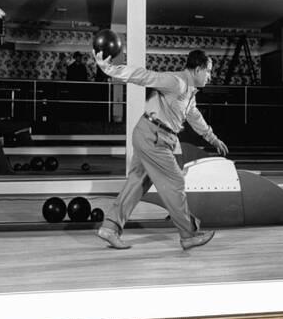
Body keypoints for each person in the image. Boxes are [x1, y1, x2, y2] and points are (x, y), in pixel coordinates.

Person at [93, 49, 229, 250]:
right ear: (198, 69)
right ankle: (188, 235)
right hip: (153, 136)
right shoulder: (176, 82)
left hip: (150, 135)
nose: (210, 76)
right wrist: (110, 69)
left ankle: (110, 228)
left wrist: (213, 139)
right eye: (208, 71)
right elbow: (144, 76)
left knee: (137, 182)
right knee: (175, 181)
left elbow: (194, 117)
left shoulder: (190, 93)